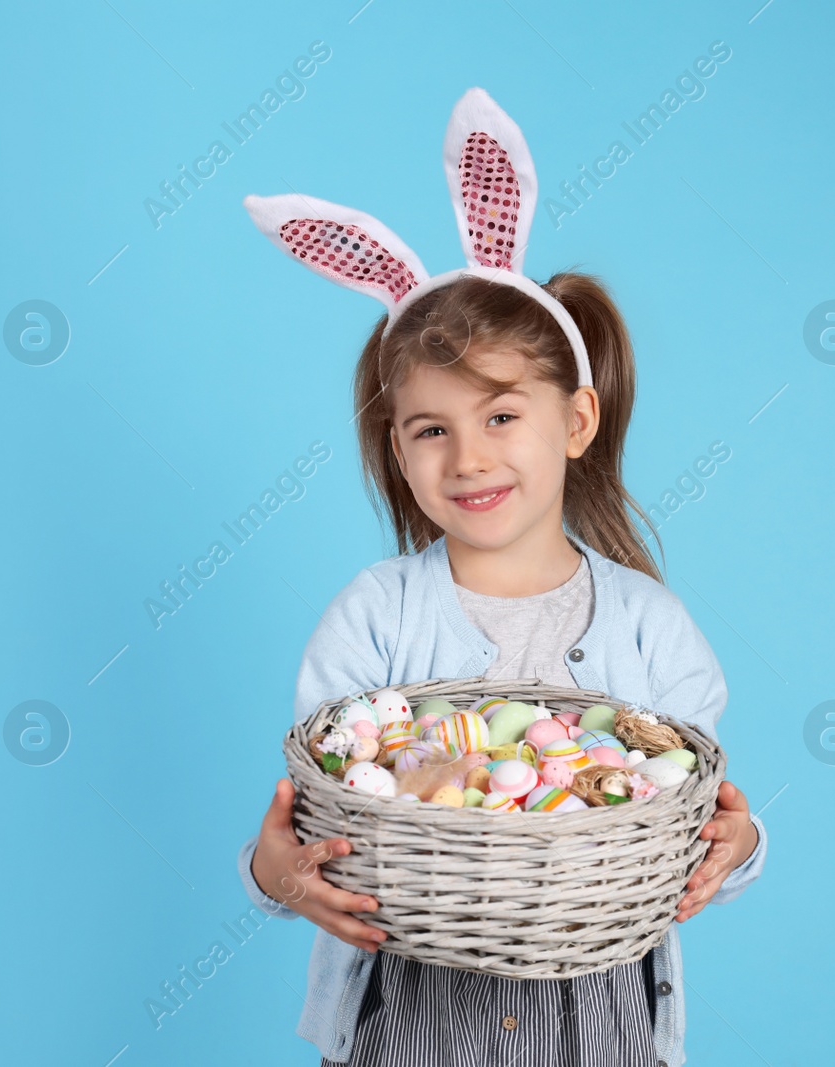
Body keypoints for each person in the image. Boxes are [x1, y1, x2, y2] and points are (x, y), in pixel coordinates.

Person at [234, 88, 768, 1067]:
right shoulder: (374, 614)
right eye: (430, 429)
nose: (467, 457)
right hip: (409, 1015)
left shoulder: (650, 625)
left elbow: (693, 812)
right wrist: (273, 873)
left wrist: (739, 847)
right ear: (395, 448)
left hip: (594, 1020)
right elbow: (319, 807)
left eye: (500, 417)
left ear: (574, 421)